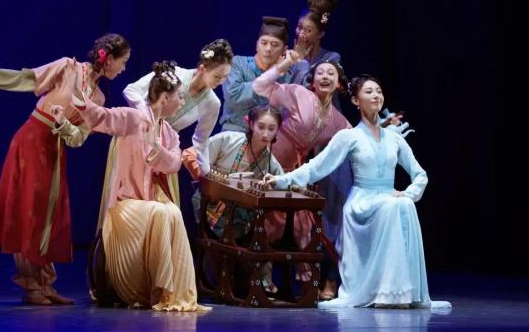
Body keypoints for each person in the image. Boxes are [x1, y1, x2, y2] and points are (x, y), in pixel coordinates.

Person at [261, 75, 451, 309]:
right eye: (369, 92)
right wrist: (282, 180)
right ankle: (384, 292)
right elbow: (317, 166)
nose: (376, 96)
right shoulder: (349, 136)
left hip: (387, 198)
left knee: (403, 204)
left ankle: (399, 292)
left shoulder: (394, 139)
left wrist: (409, 193)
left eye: (378, 91)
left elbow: (420, 174)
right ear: (355, 101)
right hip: (363, 202)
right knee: (394, 205)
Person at [0, 33, 131, 305]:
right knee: (30, 210)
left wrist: (64, 126)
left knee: (49, 215)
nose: (124, 68)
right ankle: (31, 284)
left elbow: (78, 138)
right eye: (123, 61)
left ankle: (45, 283)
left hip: (55, 149)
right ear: (109, 59)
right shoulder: (68, 67)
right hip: (32, 140)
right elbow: (27, 79)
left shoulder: (98, 97)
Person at [63, 61, 209, 311]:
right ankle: (156, 288)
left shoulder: (169, 133)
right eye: (180, 97)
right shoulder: (133, 118)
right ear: (165, 98)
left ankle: (169, 293)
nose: (182, 102)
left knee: (172, 212)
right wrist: (79, 96)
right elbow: (102, 117)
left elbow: (174, 164)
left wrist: (156, 147)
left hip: (150, 205)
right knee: (161, 211)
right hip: (126, 204)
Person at [253, 50, 351, 297]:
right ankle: (260, 278)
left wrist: (383, 128)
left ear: (339, 83)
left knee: (303, 224)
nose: (325, 76)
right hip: (266, 161)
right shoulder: (298, 94)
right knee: (262, 217)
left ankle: (309, 282)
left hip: (293, 172)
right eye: (320, 73)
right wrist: (285, 64)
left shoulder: (338, 121)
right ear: (313, 80)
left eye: (331, 73)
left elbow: (357, 140)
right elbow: (260, 86)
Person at [182, 106, 284, 293]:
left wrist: (271, 186)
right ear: (250, 124)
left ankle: (246, 285)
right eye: (261, 127)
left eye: (271, 129)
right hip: (209, 203)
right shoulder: (228, 140)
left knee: (256, 237)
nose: (265, 134)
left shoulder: (271, 162)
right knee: (221, 244)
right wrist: (211, 178)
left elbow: (282, 185)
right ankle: (220, 284)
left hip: (240, 214)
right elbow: (190, 154)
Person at [122, 40, 233, 204]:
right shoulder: (173, 74)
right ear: (202, 68)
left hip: (164, 151)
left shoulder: (212, 103)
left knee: (162, 208)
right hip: (137, 139)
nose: (221, 81)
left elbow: (201, 140)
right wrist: (148, 116)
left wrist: (206, 175)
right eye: (217, 76)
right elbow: (131, 90)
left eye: (225, 77)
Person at [219, 16, 291, 132]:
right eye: (264, 43)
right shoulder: (237, 63)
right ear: (257, 44)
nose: (268, 49)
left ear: (284, 50)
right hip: (235, 132)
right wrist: (271, 74)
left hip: (269, 137)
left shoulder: (286, 76)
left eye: (275, 45)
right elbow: (233, 97)